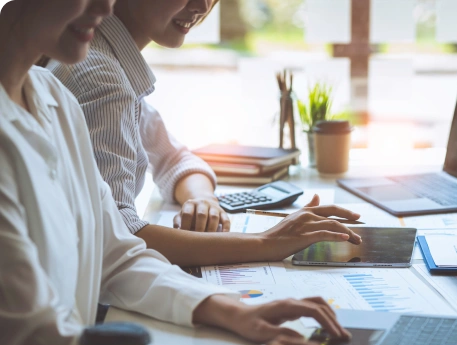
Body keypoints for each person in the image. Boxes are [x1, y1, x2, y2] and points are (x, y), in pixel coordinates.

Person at [0, 0, 351, 345]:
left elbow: (117, 252)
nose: (105, 5)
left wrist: (229, 310)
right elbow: (36, 344)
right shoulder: (77, 83)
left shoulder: (52, 97)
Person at [49, 0, 363, 267]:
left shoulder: (111, 64)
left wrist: (202, 198)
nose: (202, 6)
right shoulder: (102, 79)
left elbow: (173, 157)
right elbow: (118, 237)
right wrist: (267, 242)